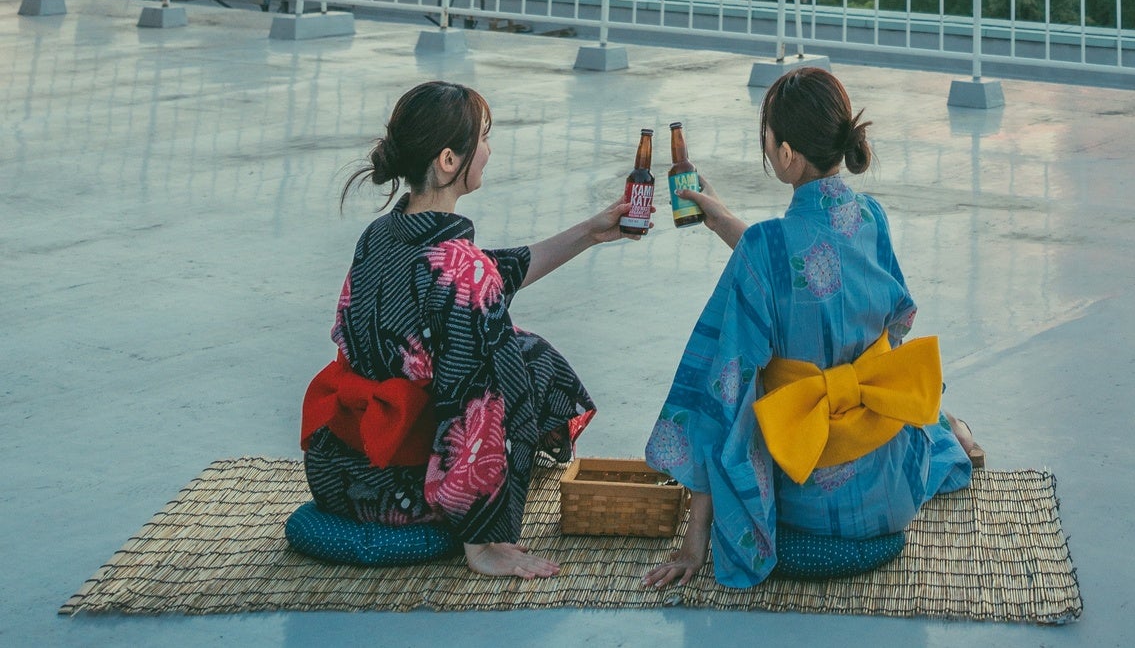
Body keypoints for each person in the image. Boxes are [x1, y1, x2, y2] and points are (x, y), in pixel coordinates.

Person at [641, 68, 983, 590]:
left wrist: (694, 544)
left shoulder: (764, 248)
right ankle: (947, 426)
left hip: (802, 512)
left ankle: (944, 422)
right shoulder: (871, 217)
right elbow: (826, 276)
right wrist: (719, 218)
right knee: (901, 390)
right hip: (891, 498)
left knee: (727, 371)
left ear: (785, 155)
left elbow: (722, 391)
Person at [302, 78, 638, 581]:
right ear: (448, 161)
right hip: (405, 493)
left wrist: (591, 232)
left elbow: (484, 272)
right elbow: (473, 403)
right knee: (521, 357)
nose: (488, 150)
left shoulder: (380, 236)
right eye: (483, 138)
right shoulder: (460, 269)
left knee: (498, 337)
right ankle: (483, 521)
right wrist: (483, 539)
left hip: (340, 474)